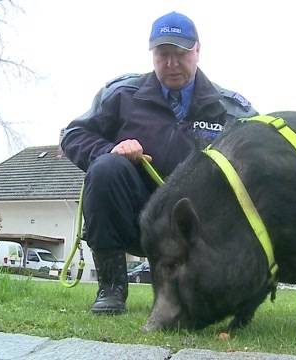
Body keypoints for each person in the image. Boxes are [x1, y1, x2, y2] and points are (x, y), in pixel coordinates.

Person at [60, 11, 258, 315]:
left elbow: (262, 161)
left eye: (180, 54)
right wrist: (111, 148)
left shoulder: (230, 109)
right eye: (163, 55)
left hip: (202, 227)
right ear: (152, 54)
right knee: (106, 167)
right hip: (137, 219)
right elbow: (73, 134)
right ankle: (111, 288)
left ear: (197, 51)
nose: (171, 64)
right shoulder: (122, 94)